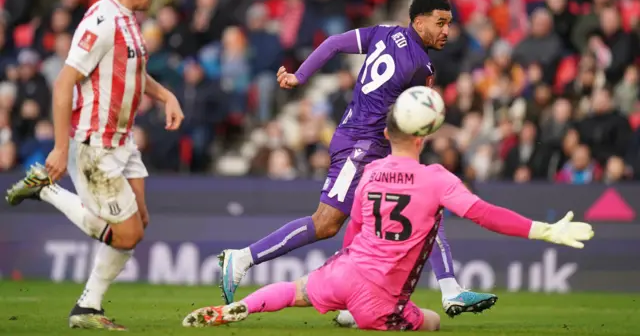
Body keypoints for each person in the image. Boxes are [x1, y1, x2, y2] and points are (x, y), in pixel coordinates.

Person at [186, 99, 594, 330]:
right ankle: (419, 298)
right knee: (432, 323)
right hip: (381, 296)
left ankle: (237, 308)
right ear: (425, 135)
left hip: (342, 271)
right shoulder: (436, 178)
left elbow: (356, 231)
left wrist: (342, 273)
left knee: (296, 291)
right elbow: (485, 215)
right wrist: (544, 231)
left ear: (385, 134)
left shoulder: (371, 172)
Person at [219, 0, 497, 318]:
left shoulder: (383, 32)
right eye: (440, 23)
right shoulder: (421, 66)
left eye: (449, 23)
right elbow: (408, 116)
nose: (447, 30)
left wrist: (301, 76)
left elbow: (335, 43)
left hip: (364, 141)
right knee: (325, 223)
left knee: (411, 210)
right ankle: (242, 258)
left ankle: (436, 292)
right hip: (362, 146)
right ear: (418, 22)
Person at [5, 0, 184, 330]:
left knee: (140, 223)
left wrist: (166, 94)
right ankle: (47, 190)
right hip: (95, 144)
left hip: (122, 140)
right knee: (127, 233)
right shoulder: (100, 22)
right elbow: (63, 83)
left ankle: (88, 308)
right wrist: (60, 146)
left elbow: (133, 74)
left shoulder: (128, 20)